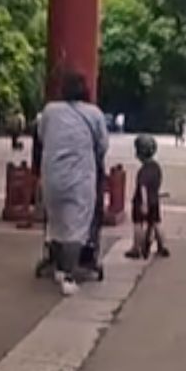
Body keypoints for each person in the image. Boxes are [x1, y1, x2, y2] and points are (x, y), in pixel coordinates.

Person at [34, 72, 107, 297]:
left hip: (52, 174)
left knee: (56, 223)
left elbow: (42, 137)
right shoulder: (94, 114)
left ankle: (57, 265)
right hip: (80, 176)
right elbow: (102, 146)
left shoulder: (49, 112)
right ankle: (68, 274)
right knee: (77, 227)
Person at [127, 133, 170, 260]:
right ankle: (163, 245)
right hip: (155, 200)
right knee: (157, 222)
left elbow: (143, 187)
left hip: (142, 201)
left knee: (138, 224)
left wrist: (144, 203)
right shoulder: (156, 167)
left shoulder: (143, 171)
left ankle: (136, 248)